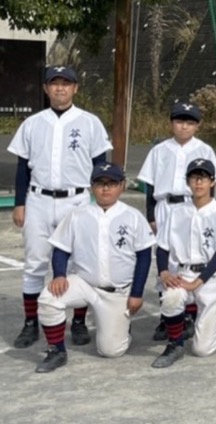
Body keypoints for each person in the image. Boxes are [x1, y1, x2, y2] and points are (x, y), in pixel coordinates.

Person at [8, 66, 112, 349]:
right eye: (54, 83)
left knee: (79, 263)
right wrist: (19, 203)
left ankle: (78, 321)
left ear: (75, 88)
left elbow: (101, 167)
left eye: (66, 83)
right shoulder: (32, 123)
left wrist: (100, 203)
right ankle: (31, 323)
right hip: (38, 200)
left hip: (76, 200)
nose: (60, 88)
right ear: (46, 88)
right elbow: (22, 167)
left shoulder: (90, 122)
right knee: (35, 263)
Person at [34, 162, 154, 372]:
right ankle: (57, 351)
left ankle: (121, 325)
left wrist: (137, 293)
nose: (105, 188)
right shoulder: (77, 215)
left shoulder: (133, 216)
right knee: (48, 299)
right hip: (85, 283)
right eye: (100, 183)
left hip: (117, 291)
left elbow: (144, 257)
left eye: (112, 183)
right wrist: (60, 275)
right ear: (91, 187)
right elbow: (61, 249)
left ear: (122, 186)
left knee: (110, 351)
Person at [138, 101, 216, 341]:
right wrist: (151, 215)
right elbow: (150, 185)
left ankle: (189, 315)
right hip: (166, 206)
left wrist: (208, 212)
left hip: (193, 205)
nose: (184, 126)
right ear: (171, 123)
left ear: (197, 125)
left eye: (189, 122)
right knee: (167, 262)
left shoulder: (204, 150)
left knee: (191, 255)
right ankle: (167, 317)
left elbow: (212, 186)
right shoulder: (159, 150)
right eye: (179, 121)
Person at [151, 159, 216, 368]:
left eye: (203, 178)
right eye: (194, 178)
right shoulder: (176, 212)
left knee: (202, 350)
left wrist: (197, 282)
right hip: (182, 272)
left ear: (212, 182)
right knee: (171, 296)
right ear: (188, 182)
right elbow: (162, 247)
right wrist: (164, 272)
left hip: (211, 277)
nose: (198, 183)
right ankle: (175, 344)